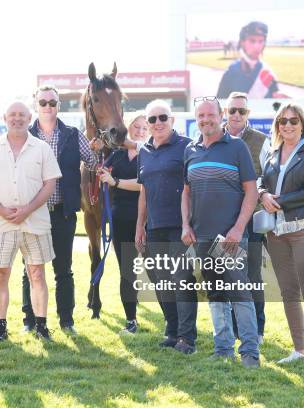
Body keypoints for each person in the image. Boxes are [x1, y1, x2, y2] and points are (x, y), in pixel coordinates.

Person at [182, 96, 260, 367]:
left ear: (221, 115)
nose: (206, 120)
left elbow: (251, 191)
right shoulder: (191, 150)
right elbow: (186, 192)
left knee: (239, 292)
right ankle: (223, 348)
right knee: (215, 293)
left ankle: (250, 351)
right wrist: (185, 224)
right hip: (202, 237)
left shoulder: (237, 148)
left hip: (230, 238)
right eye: (200, 116)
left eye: (210, 115)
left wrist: (238, 229)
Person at [0, 101, 62, 342]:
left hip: (36, 223)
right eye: (12, 115)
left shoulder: (42, 148)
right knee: (0, 275)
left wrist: (27, 209)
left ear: (29, 117)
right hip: (1, 224)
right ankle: (1, 326)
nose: (17, 119)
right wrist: (2, 210)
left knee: (37, 274)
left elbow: (50, 184)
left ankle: (41, 325)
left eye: (22, 115)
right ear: (5, 118)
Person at [259, 103, 304, 371]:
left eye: (293, 120)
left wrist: (279, 201)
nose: (287, 125)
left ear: (302, 124)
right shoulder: (271, 153)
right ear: (277, 125)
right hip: (277, 231)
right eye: (282, 121)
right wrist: (262, 195)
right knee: (289, 291)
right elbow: (261, 182)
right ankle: (300, 349)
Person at [21, 85, 100, 334]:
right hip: (33, 214)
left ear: (59, 106)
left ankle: (66, 321)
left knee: (63, 270)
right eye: (43, 102)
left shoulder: (73, 135)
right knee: (31, 270)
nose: (47, 107)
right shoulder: (24, 135)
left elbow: (94, 162)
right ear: (35, 105)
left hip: (63, 212)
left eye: (52, 103)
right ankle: (30, 321)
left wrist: (102, 157)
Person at [135, 100, 198, 353]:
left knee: (181, 279)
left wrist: (188, 224)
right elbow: (143, 191)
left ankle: (187, 337)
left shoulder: (186, 147)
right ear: (147, 124)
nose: (158, 123)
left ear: (172, 120)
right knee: (161, 281)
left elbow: (191, 187)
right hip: (155, 227)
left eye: (163, 118)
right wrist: (140, 226)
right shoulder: (144, 151)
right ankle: (171, 331)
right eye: (152, 119)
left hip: (180, 226)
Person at [223, 92, 269, 344]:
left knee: (252, 275)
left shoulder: (261, 141)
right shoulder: (212, 137)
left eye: (242, 111)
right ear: (225, 112)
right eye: (232, 111)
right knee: (226, 273)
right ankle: (232, 328)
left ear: (248, 114)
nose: (237, 115)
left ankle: (258, 329)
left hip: (250, 220)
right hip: (221, 219)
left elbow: (268, 179)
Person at [97, 113, 147, 334]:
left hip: (146, 220)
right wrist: (101, 169)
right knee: (127, 272)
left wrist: (116, 182)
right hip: (120, 219)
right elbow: (102, 171)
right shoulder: (117, 155)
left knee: (157, 271)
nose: (140, 131)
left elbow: (142, 184)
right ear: (129, 128)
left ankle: (172, 322)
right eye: (136, 127)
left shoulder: (150, 155)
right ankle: (131, 320)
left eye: (144, 128)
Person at [217, 21, 287, 99]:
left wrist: (280, 98)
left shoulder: (267, 72)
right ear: (242, 42)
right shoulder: (231, 72)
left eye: (261, 41)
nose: (257, 46)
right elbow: (220, 104)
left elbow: (275, 100)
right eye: (252, 41)